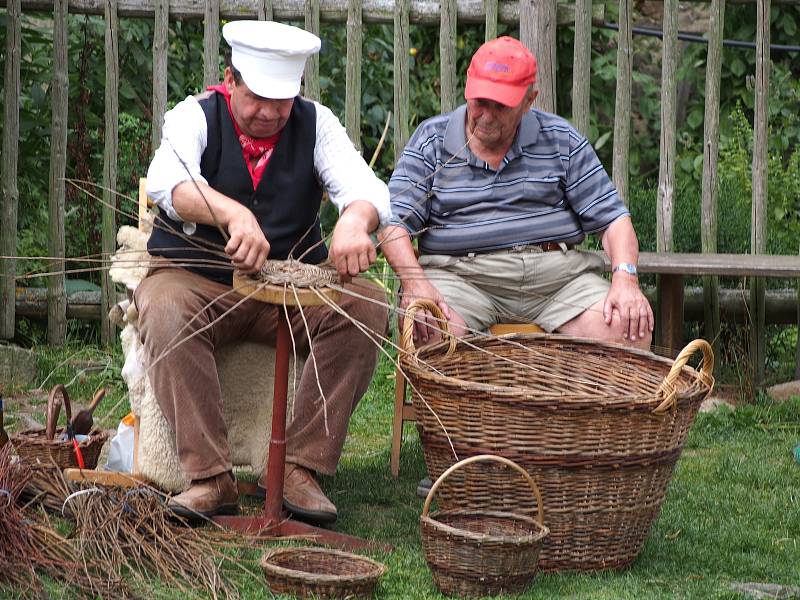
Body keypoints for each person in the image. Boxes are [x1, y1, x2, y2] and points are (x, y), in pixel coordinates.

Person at [136, 20, 390, 523]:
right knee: (163, 308)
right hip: (199, 279)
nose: (271, 113)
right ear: (229, 80)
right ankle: (210, 479)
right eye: (257, 99)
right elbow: (168, 181)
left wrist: (355, 223)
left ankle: (301, 466)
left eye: (283, 101)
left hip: (291, 284)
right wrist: (231, 213)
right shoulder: (195, 116)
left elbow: (367, 188)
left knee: (367, 304)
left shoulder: (317, 124)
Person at [381, 36, 654, 350]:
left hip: (557, 279)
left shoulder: (561, 139)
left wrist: (625, 278)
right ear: (467, 87)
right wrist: (414, 282)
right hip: (461, 278)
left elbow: (614, 220)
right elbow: (393, 222)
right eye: (480, 100)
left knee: (628, 326)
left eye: (501, 105)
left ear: (529, 100)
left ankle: (579, 401)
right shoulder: (431, 140)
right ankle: (461, 402)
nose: (486, 114)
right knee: (430, 330)